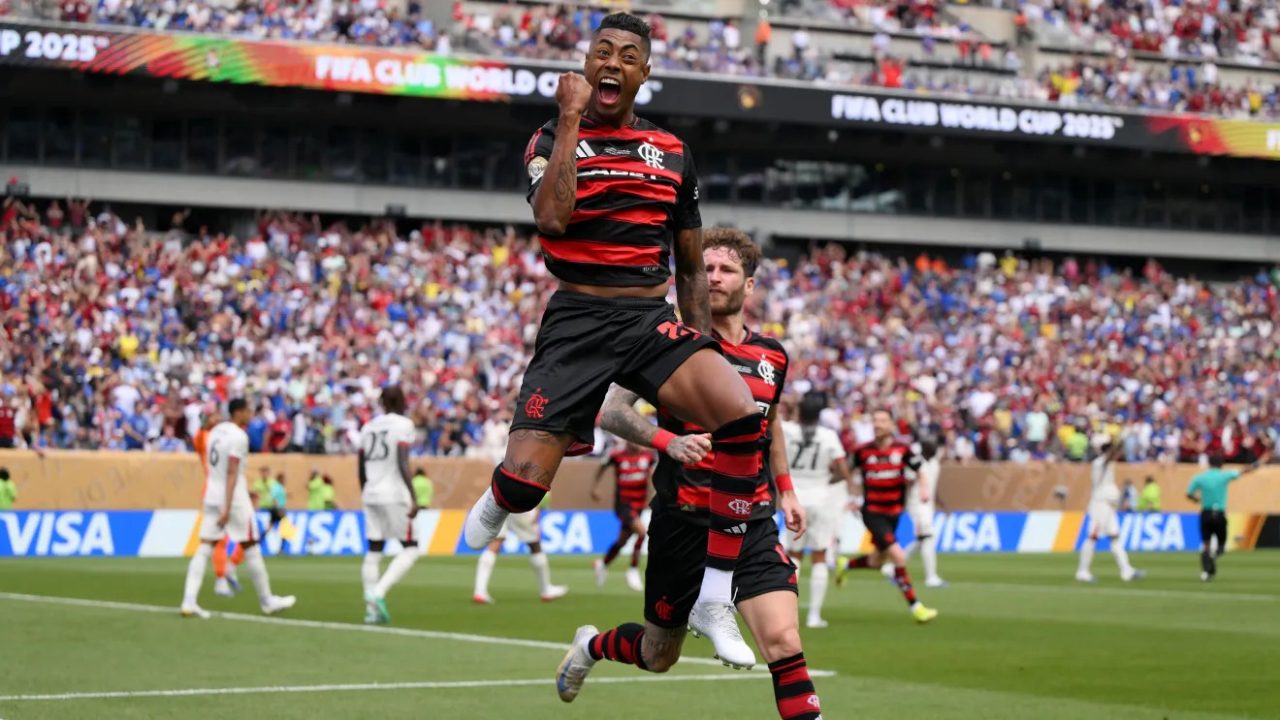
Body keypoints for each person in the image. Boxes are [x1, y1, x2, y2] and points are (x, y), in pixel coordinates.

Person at [462, 12, 769, 666]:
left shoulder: (673, 153)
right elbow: (552, 216)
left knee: (743, 416)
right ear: (586, 65)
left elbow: (689, 263)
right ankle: (500, 497)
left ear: (643, 72)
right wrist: (571, 120)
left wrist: (697, 340)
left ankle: (715, 594)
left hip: (646, 318)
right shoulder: (550, 136)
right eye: (602, 52)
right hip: (576, 320)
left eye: (628, 55)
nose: (613, 62)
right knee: (524, 487)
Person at [556, 228, 822, 720]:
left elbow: (771, 422)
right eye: (708, 270)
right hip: (684, 520)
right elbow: (613, 412)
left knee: (784, 640)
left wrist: (786, 490)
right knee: (659, 654)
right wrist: (668, 441)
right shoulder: (670, 345)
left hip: (750, 520)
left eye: (727, 271)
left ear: (750, 285)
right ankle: (591, 647)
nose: (714, 279)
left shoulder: (773, 356)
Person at [180, 398, 296, 619]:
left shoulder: (215, 432)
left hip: (211, 495)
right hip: (232, 500)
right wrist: (227, 507)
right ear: (239, 412)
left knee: (205, 547)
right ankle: (267, 600)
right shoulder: (238, 437)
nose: (251, 414)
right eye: (249, 410)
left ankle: (189, 601)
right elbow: (232, 473)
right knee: (251, 546)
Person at [836, 409, 939, 624]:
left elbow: (921, 470)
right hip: (873, 513)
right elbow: (845, 471)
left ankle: (845, 565)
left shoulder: (903, 450)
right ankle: (916, 607)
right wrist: (851, 491)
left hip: (894, 513)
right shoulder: (862, 451)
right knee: (898, 557)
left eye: (882, 420)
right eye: (875, 420)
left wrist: (924, 489)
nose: (877, 424)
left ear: (892, 425)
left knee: (875, 561)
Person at [781, 391, 851, 629]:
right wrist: (825, 479)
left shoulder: (787, 430)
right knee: (820, 555)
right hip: (821, 498)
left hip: (794, 496)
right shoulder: (829, 436)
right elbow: (843, 471)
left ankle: (789, 612)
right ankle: (814, 616)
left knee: (794, 555)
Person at [358, 386, 420, 625]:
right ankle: (378, 593)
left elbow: (360, 467)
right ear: (402, 401)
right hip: (394, 493)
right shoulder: (403, 425)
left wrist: (366, 490)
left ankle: (370, 611)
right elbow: (403, 462)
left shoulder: (368, 427)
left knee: (374, 550)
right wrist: (413, 497)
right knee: (411, 547)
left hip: (371, 493)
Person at [1187, 452, 1268, 581]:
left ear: (1209, 464)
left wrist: (1197, 499)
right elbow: (1243, 471)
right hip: (1219, 513)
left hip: (1206, 513)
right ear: (1221, 464)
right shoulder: (1224, 476)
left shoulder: (1200, 478)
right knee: (1221, 546)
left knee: (1206, 545)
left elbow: (1189, 493)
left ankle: (1207, 572)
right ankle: (1212, 562)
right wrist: (1258, 463)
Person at [472, 497, 568, 604]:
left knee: (495, 542)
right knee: (535, 545)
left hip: (499, 501)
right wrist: (539, 507)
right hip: (520, 501)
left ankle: (480, 591)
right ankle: (546, 590)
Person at [1076, 436, 1144, 583]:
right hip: (1100, 506)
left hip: (1109, 507)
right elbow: (1109, 457)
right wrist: (1121, 440)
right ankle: (1082, 571)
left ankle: (1126, 571)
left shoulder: (1108, 464)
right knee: (1092, 537)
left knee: (1115, 537)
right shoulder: (1100, 463)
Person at [591, 440, 656, 592]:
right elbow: (602, 466)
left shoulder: (648, 456)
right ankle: (632, 570)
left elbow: (655, 473)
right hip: (623, 505)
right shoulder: (616, 455)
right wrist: (594, 488)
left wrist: (655, 492)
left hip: (639, 504)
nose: (633, 443)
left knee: (622, 541)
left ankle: (603, 563)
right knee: (642, 533)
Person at [193, 408, 241, 598]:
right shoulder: (204, 437)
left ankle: (230, 568)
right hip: (216, 492)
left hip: (232, 491)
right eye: (213, 416)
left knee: (249, 534)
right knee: (219, 539)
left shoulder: (222, 435)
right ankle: (221, 580)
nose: (218, 418)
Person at [901, 439, 946, 588]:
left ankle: (892, 568)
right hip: (917, 505)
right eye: (931, 447)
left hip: (929, 506)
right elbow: (907, 483)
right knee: (928, 537)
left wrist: (942, 503)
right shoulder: (915, 463)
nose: (934, 450)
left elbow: (933, 485)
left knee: (923, 539)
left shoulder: (934, 464)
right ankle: (931, 577)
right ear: (924, 448)